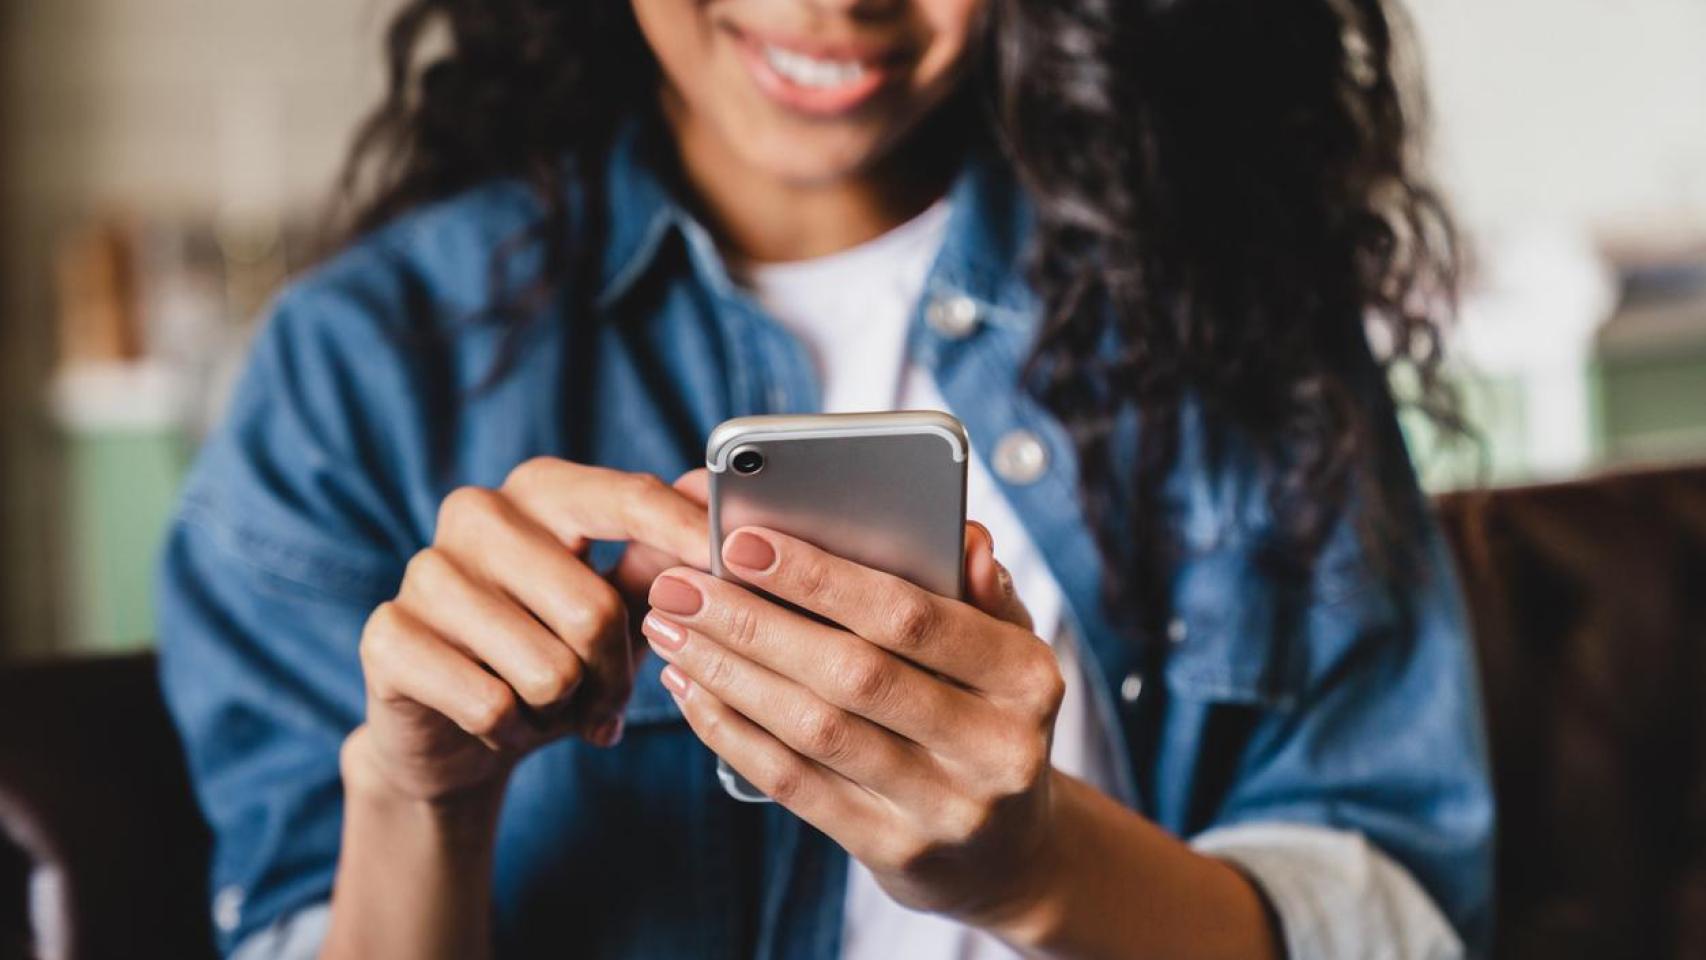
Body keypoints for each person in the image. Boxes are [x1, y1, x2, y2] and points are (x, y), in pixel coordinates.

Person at [156, 0, 1494, 957]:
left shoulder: (1223, 299)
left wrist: (1031, 869)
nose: (832, 4)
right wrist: (418, 801)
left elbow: (1393, 913)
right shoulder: (363, 367)